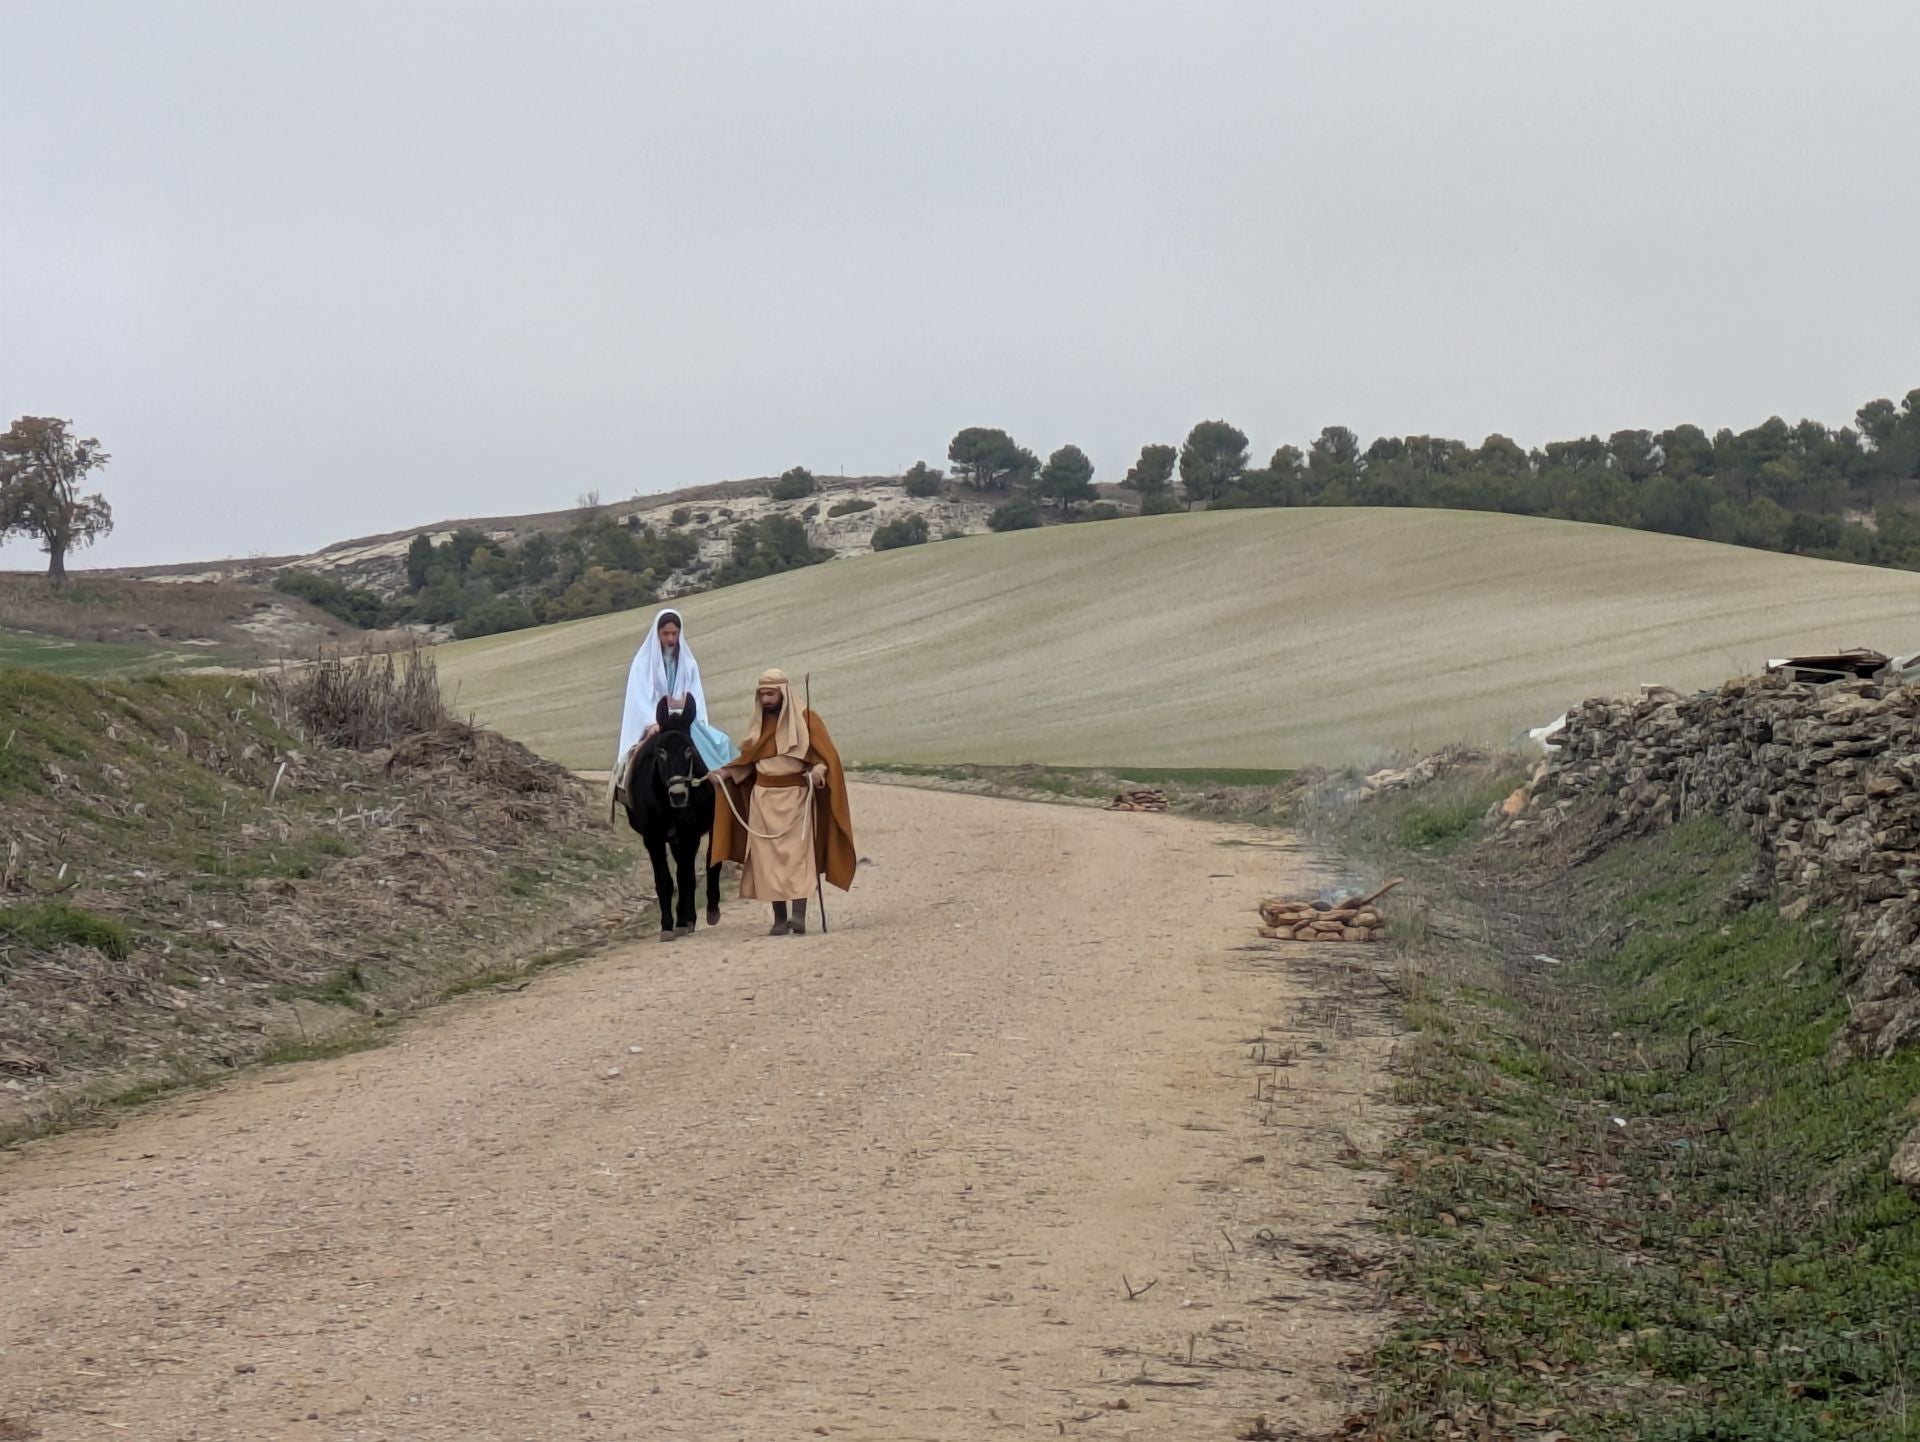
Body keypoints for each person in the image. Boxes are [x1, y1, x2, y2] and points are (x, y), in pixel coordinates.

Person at [711, 670, 856, 936]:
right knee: (768, 862)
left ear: (782, 693)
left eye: (770, 694)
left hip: (797, 798)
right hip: (763, 800)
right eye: (762, 694)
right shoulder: (758, 726)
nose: (766, 699)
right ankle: (779, 919)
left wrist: (818, 772)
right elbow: (750, 764)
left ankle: (798, 916)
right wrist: (727, 773)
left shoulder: (807, 720)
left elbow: (825, 759)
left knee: (798, 857)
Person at [609, 608, 735, 821]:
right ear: (658, 633)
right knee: (643, 757)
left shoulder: (688, 663)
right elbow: (640, 696)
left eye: (674, 633)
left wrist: (683, 705)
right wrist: (653, 721)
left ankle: (724, 793)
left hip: (685, 720)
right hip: (655, 722)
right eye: (666, 634)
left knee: (721, 743)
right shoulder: (643, 663)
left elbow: (694, 695)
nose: (670, 638)